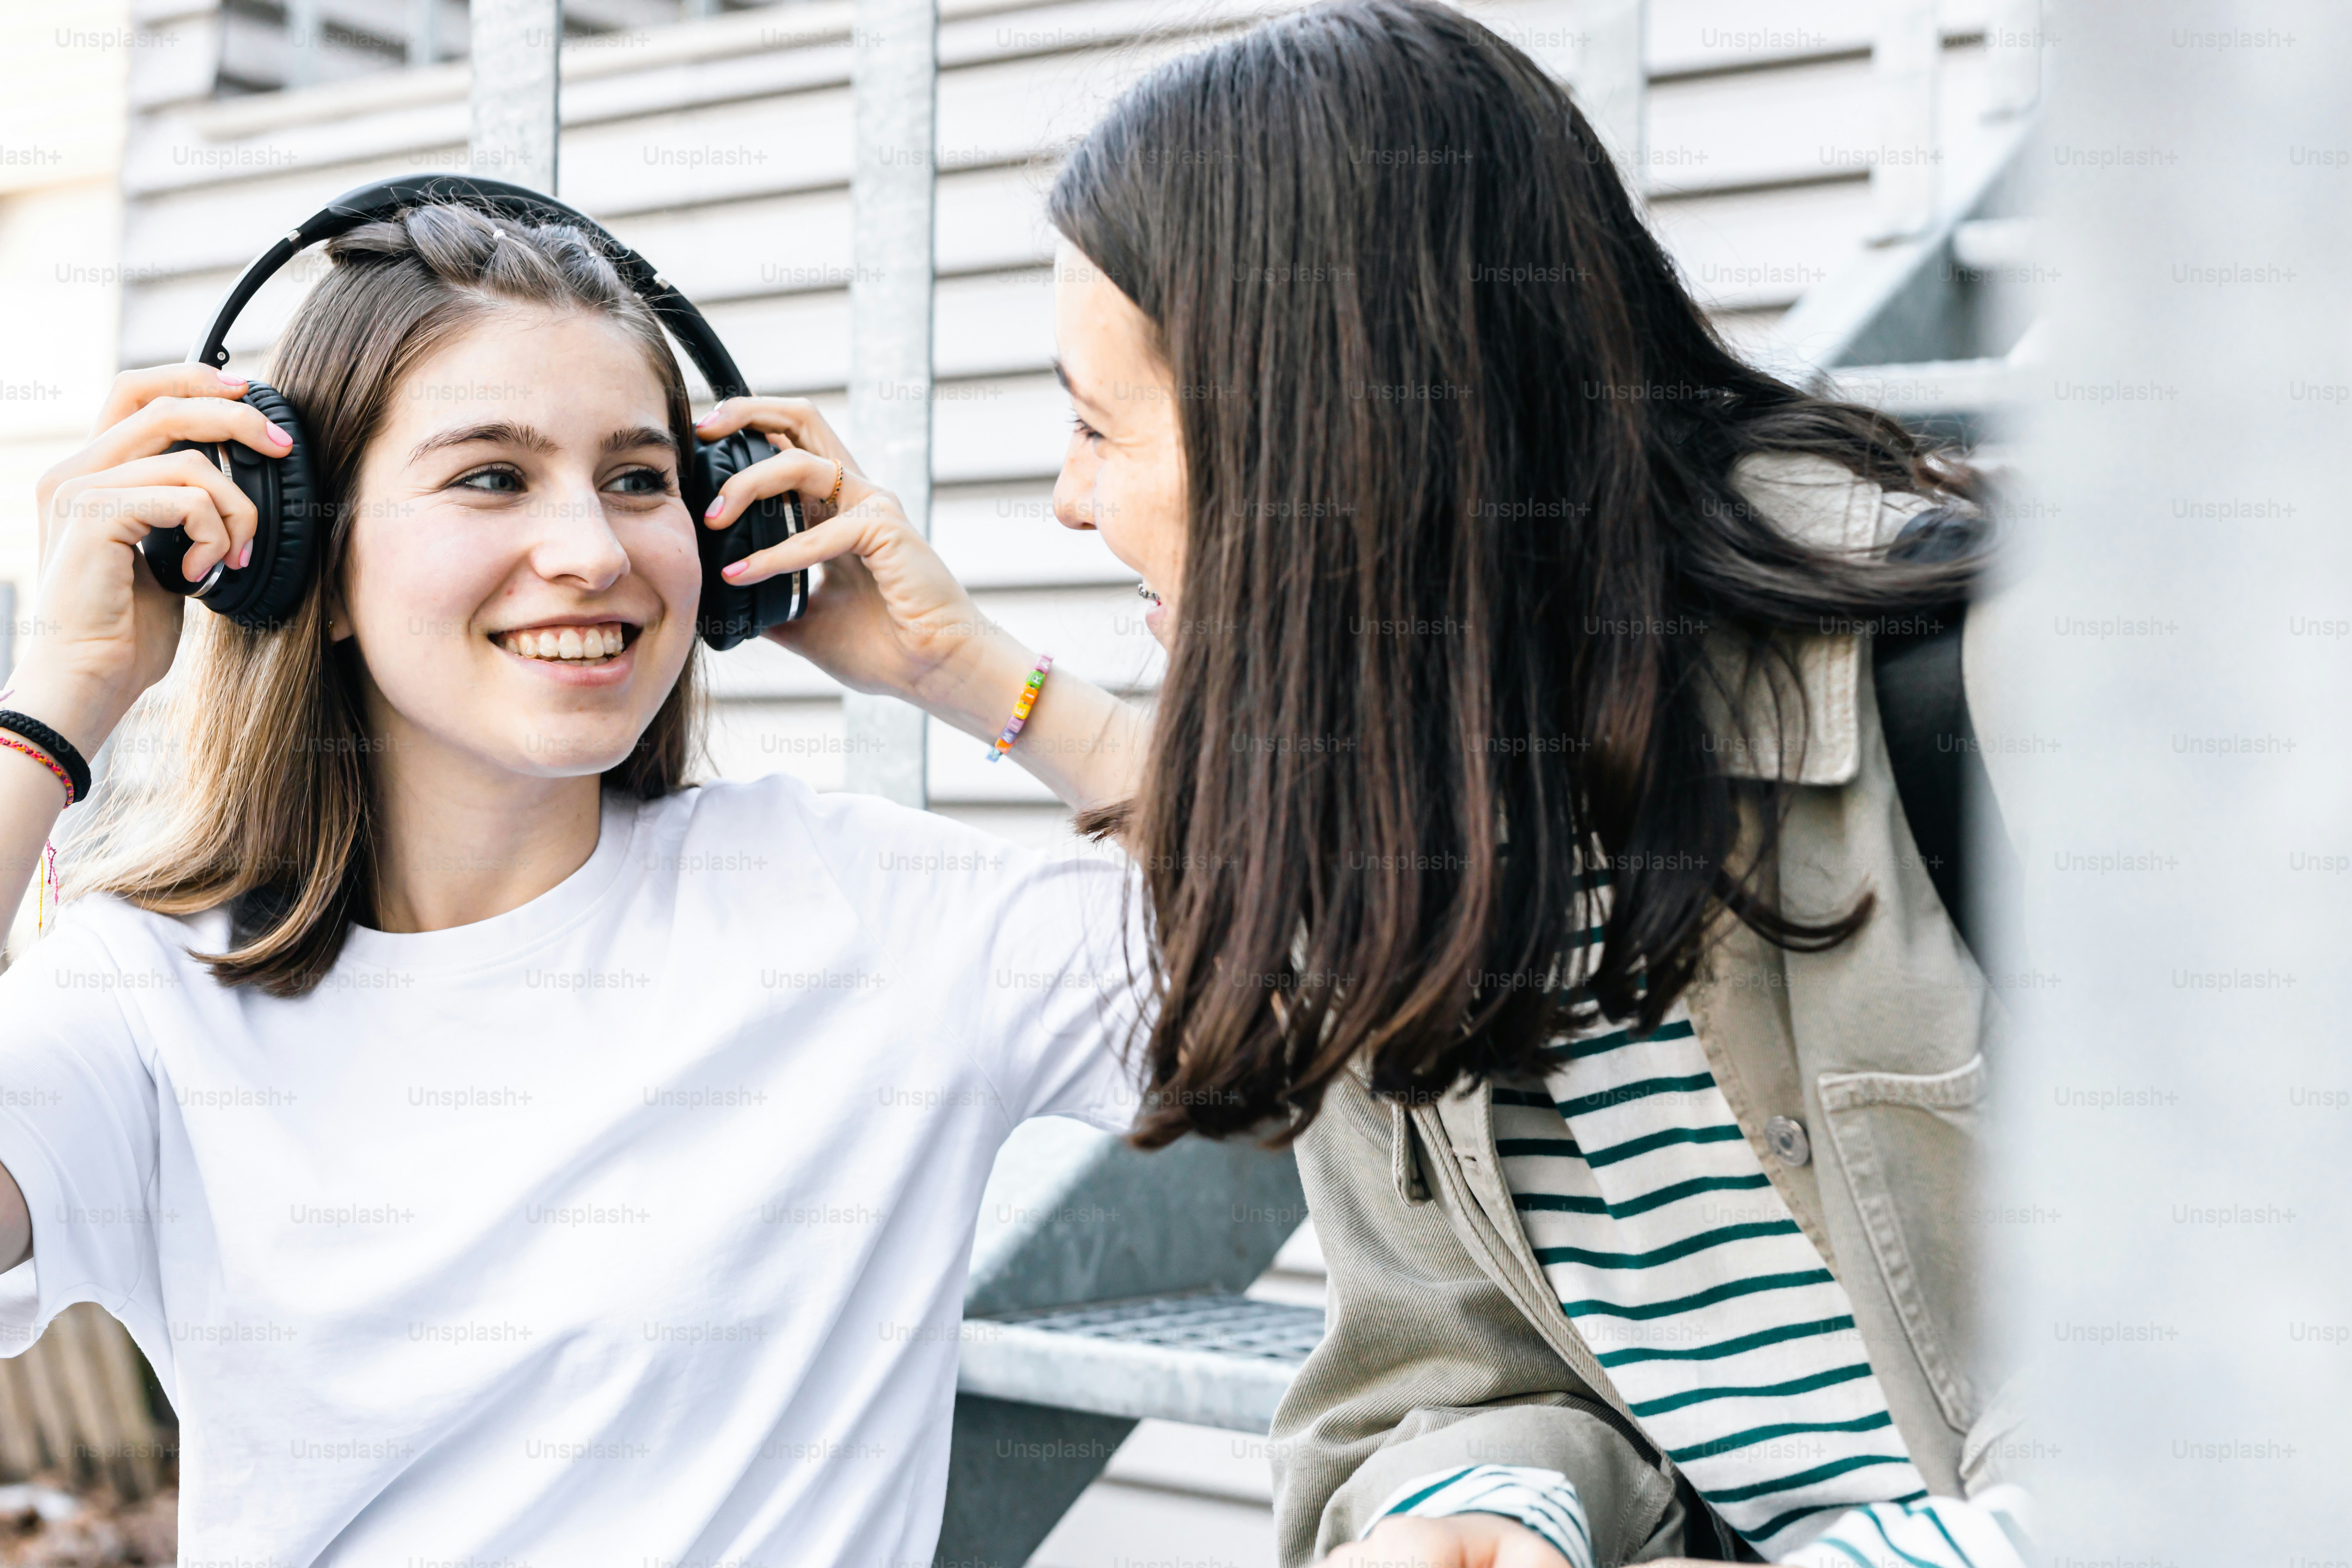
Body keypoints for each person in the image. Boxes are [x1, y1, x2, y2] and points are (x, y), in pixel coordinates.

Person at [706, 1, 2036, 1563]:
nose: (1067, 503)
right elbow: (1445, 1373)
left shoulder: (2005, 700)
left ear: (1317, 434)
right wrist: (1488, 1507)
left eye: (1092, 427)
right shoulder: (1405, 835)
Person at [0, 202, 1153, 1562]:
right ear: (302, 548)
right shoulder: (152, 990)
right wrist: (54, 703)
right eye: (493, 477)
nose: (594, 553)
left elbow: (1333, 956)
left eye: (637, 478)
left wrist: (970, 673)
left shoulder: (866, 910)